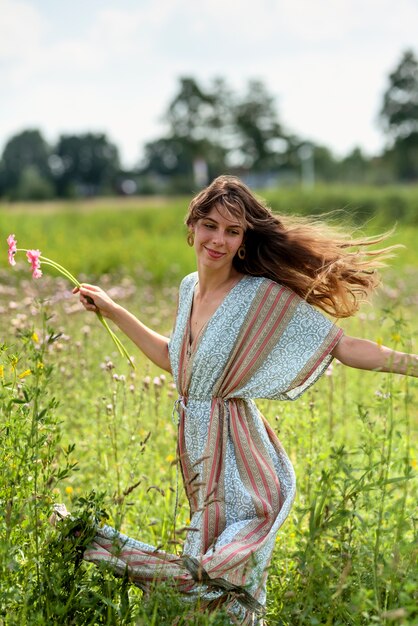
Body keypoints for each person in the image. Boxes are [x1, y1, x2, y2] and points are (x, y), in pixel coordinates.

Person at [66, 175, 417, 625]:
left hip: (245, 464)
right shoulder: (188, 288)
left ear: (244, 242)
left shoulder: (259, 296)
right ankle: (96, 545)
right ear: (192, 226)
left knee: (215, 575)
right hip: (199, 459)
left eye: (233, 232)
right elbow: (176, 361)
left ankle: (94, 543)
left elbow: (343, 347)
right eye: (211, 225)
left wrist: (412, 363)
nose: (219, 240)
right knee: (218, 594)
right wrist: (114, 310)